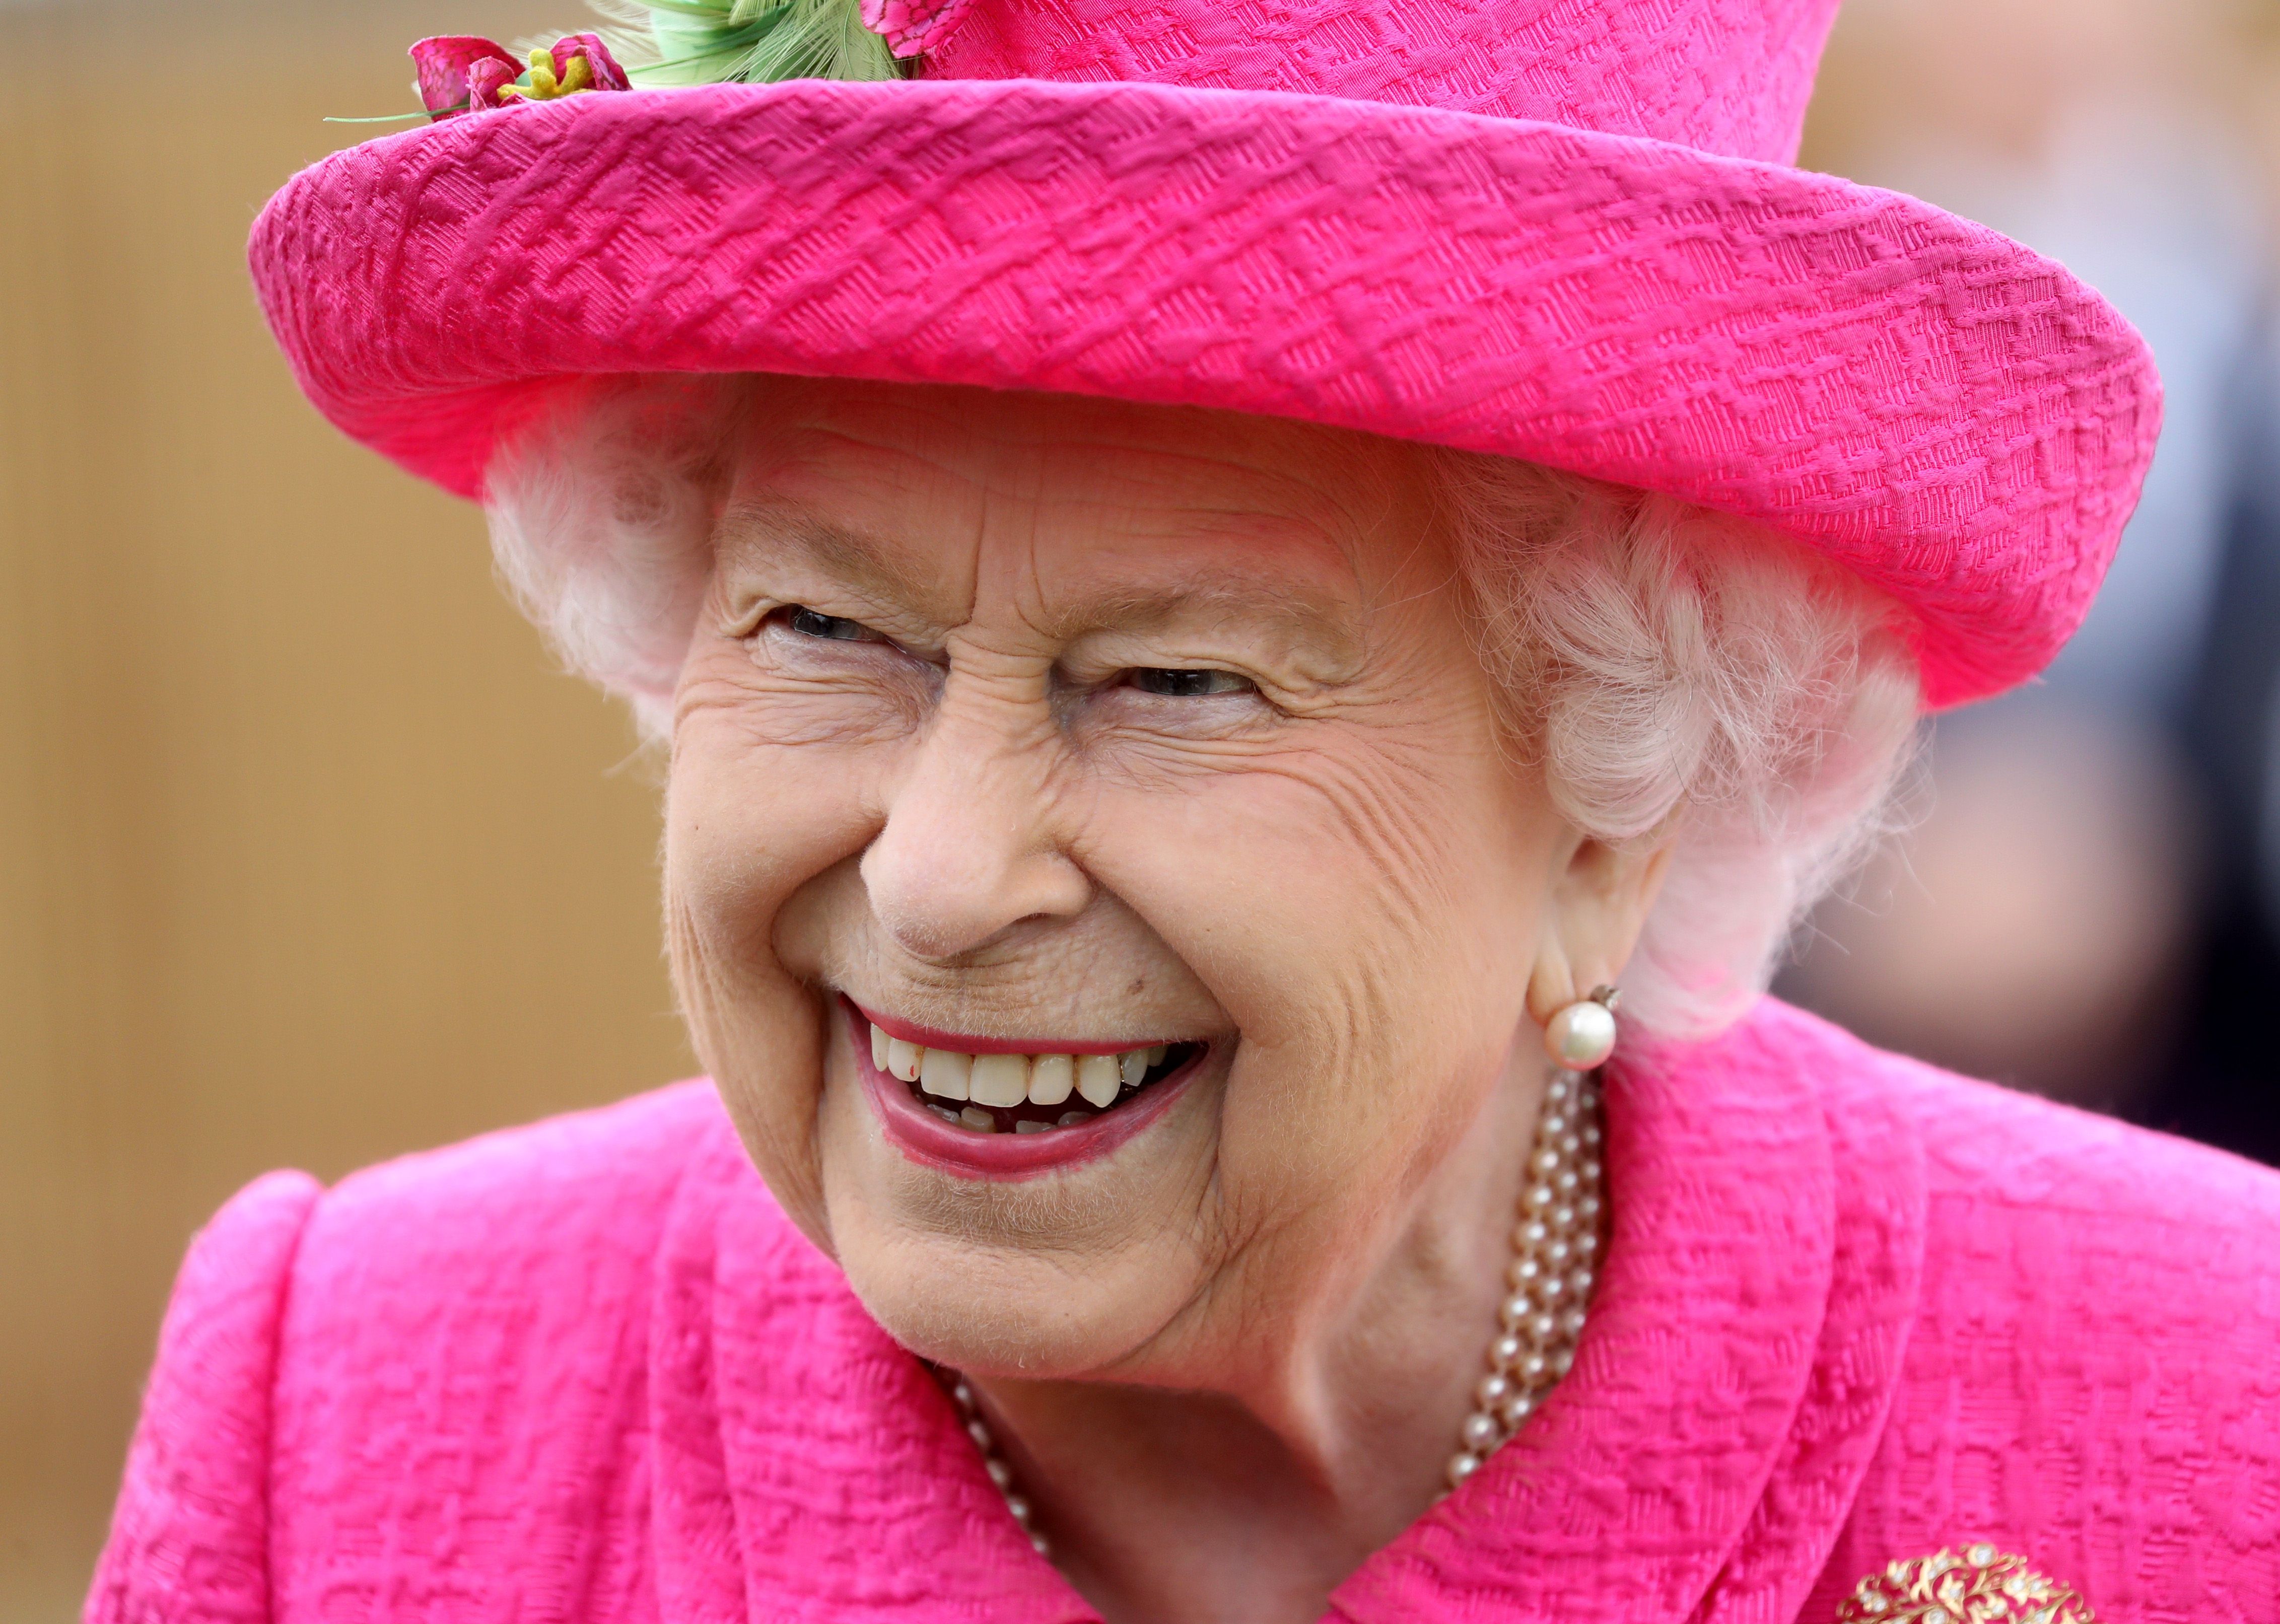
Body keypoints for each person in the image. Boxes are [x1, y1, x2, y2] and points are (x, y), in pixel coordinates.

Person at [86, 1, 2280, 1620]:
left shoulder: (2216, 1415)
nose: (942, 876)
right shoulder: (351, 1418)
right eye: (828, 635)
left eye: (1173, 682)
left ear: (1621, 803)